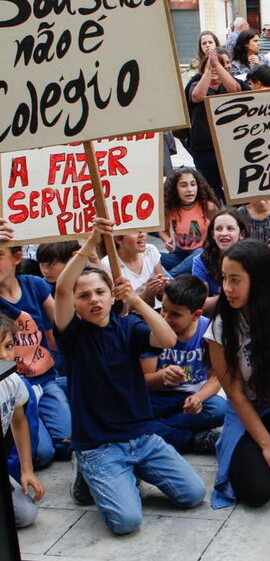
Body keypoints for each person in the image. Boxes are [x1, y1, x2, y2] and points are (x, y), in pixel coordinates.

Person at [55, 218, 205, 534]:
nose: (94, 300)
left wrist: (135, 299)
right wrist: (91, 244)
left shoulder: (129, 326)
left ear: (112, 296)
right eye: (85, 296)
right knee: (126, 522)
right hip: (99, 445)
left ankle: (124, 475)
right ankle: (88, 470)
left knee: (193, 494)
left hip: (143, 437)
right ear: (76, 304)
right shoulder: (72, 334)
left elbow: (167, 339)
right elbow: (63, 288)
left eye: (100, 292)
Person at [207, 240, 270, 508]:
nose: (227, 288)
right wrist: (267, 445)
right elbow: (235, 393)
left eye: (235, 280)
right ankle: (235, 441)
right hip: (250, 410)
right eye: (224, 278)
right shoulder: (221, 326)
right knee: (256, 490)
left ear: (258, 279)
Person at [140, 275, 228, 454]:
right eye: (164, 309)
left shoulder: (209, 331)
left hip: (190, 397)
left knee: (220, 409)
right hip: (157, 398)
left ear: (196, 315)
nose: (166, 318)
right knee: (130, 412)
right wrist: (161, 376)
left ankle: (154, 430)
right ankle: (194, 440)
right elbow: (144, 379)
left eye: (175, 314)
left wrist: (198, 398)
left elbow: (216, 378)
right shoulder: (152, 329)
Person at [0, 246, 68, 465]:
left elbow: (62, 320)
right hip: (14, 386)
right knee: (42, 454)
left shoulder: (34, 284)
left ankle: (64, 390)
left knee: (68, 443)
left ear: (17, 258)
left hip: (45, 379)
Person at [185, 47, 250, 202]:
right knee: (211, 192)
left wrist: (218, 66)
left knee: (237, 190)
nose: (215, 67)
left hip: (232, 148)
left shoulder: (234, 83)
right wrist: (208, 70)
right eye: (212, 64)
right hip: (205, 149)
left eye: (220, 64)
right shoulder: (195, 83)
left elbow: (235, 90)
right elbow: (197, 96)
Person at [0, 315, 44, 528]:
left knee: (26, 514)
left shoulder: (13, 381)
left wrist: (27, 469)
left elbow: (19, 422)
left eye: (8, 346)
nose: (3, 355)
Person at [160, 168, 221, 276]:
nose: (190, 189)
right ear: (174, 188)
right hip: (179, 254)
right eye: (184, 185)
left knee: (199, 254)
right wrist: (167, 240)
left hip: (203, 253)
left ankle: (169, 278)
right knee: (149, 253)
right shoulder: (170, 208)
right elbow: (162, 230)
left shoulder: (208, 206)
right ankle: (174, 274)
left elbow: (221, 229)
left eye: (193, 184)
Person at [192, 208, 250, 313]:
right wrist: (234, 296)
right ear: (213, 235)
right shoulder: (201, 261)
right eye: (218, 229)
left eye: (230, 229)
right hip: (216, 314)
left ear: (241, 234)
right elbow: (200, 303)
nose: (224, 233)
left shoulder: (253, 258)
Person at [102, 233, 168, 310]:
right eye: (135, 232)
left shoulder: (150, 251)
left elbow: (162, 297)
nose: (142, 234)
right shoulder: (108, 264)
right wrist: (145, 294)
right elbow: (118, 310)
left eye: (143, 230)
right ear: (118, 239)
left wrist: (162, 289)